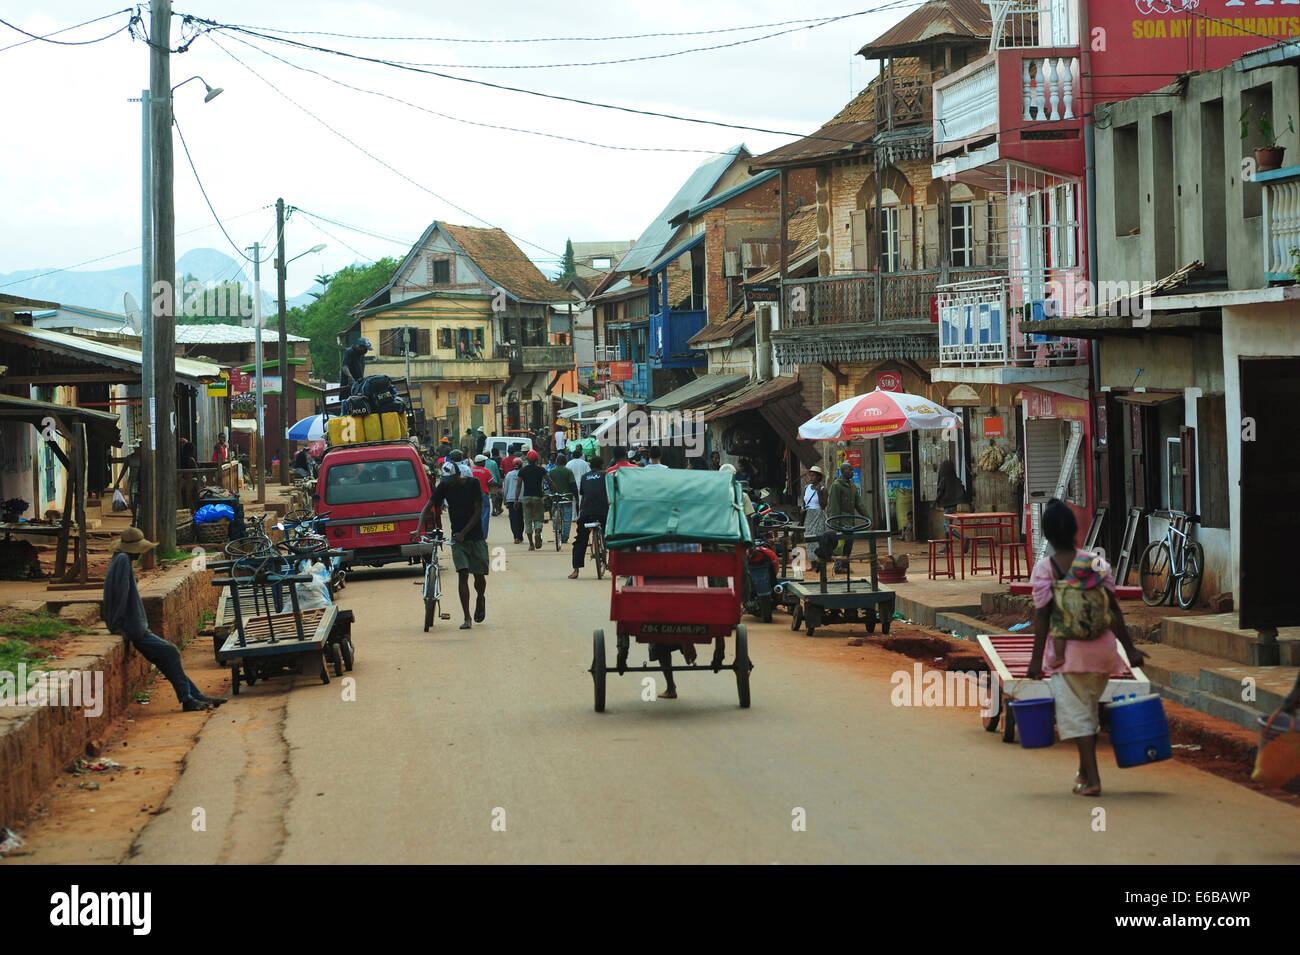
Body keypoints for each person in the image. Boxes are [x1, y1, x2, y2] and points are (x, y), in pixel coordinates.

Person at [1026, 499, 1147, 798]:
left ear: (1049, 536)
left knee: (1077, 717)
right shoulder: (1096, 563)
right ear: (1075, 530)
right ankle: (1083, 772)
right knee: (1088, 711)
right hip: (1105, 653)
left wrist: (1035, 661)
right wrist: (1129, 650)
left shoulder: (1045, 570)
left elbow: (1042, 619)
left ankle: (1092, 778)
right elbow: (1114, 610)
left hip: (1069, 656)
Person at [103, 528, 226, 711]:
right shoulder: (122, 561)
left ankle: (195, 696)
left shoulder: (121, 560)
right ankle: (187, 699)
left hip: (136, 625)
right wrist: (117, 625)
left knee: (167, 661)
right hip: (134, 628)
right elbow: (120, 596)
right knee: (171, 652)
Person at [416, 461, 488, 630]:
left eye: (450, 480)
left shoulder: (473, 484)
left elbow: (478, 510)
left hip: (475, 536)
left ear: (457, 476)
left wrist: (465, 532)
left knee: (479, 576)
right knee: (462, 574)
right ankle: (467, 617)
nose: (447, 483)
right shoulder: (445, 485)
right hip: (457, 539)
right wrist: (418, 529)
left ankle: (480, 597)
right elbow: (428, 506)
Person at [826, 461, 868, 575]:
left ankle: (845, 566)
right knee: (841, 545)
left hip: (850, 522)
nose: (852, 472)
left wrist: (867, 517)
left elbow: (859, 504)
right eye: (850, 470)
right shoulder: (836, 485)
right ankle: (839, 566)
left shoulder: (852, 486)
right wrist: (835, 524)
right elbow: (834, 506)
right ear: (843, 471)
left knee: (849, 545)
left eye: (852, 470)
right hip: (840, 521)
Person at [569, 455, 607, 579]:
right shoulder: (606, 475)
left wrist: (581, 513)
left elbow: (584, 498)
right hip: (603, 512)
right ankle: (612, 561)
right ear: (602, 466)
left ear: (590, 466)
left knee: (580, 539)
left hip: (587, 512)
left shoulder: (584, 477)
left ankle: (576, 570)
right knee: (611, 534)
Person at [514, 449, 549, 549]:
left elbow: (518, 486)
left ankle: (531, 544)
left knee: (528, 520)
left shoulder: (523, 470)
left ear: (527, 459)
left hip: (526, 498)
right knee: (538, 519)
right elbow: (549, 481)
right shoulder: (541, 470)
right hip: (538, 497)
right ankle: (537, 532)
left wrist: (516, 500)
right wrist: (556, 491)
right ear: (536, 459)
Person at [936, 459, 970, 552]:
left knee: (947, 526)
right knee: (948, 526)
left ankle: (963, 539)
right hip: (954, 506)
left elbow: (940, 492)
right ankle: (947, 547)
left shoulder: (944, 479)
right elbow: (963, 490)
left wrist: (935, 502)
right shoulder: (956, 479)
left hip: (947, 506)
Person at [546, 451, 578, 545]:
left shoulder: (551, 471)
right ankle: (564, 538)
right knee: (567, 519)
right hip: (567, 498)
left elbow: (548, 484)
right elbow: (573, 485)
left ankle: (556, 531)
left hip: (555, 498)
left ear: (556, 462)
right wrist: (576, 496)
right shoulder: (568, 471)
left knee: (555, 515)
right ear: (565, 461)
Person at [108, 443, 143, 529]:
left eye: (138, 448)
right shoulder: (129, 458)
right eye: (135, 448)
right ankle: (134, 520)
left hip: (141, 482)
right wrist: (118, 482)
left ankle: (139, 521)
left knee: (141, 503)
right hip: (132, 482)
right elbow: (124, 470)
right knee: (132, 503)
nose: (136, 450)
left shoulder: (144, 458)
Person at [802, 465, 828, 567]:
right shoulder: (806, 488)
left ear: (818, 477)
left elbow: (823, 505)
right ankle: (812, 562)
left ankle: (819, 562)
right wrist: (803, 509)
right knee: (808, 538)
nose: (811, 478)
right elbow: (804, 502)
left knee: (818, 539)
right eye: (810, 476)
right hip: (808, 515)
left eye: (813, 476)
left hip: (818, 515)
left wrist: (819, 492)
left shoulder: (823, 489)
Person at [502, 459, 524, 544]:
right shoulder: (523, 474)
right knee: (520, 518)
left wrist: (504, 499)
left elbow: (505, 488)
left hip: (511, 499)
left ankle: (516, 537)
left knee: (513, 519)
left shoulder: (509, 474)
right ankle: (520, 536)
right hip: (521, 499)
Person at [471, 454, 493, 539]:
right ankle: (483, 536)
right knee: (485, 515)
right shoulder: (486, 471)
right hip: (484, 494)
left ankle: (474, 535)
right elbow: (491, 482)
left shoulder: (471, 470)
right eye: (484, 461)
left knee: (473, 515)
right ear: (481, 462)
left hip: (472, 496)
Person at [566, 447, 590, 511]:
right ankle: (580, 515)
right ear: (580, 455)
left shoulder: (569, 464)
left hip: (572, 484)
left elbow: (566, 475)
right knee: (581, 499)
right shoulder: (584, 463)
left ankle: (573, 517)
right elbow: (588, 473)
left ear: (572, 456)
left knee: (573, 500)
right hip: (582, 484)